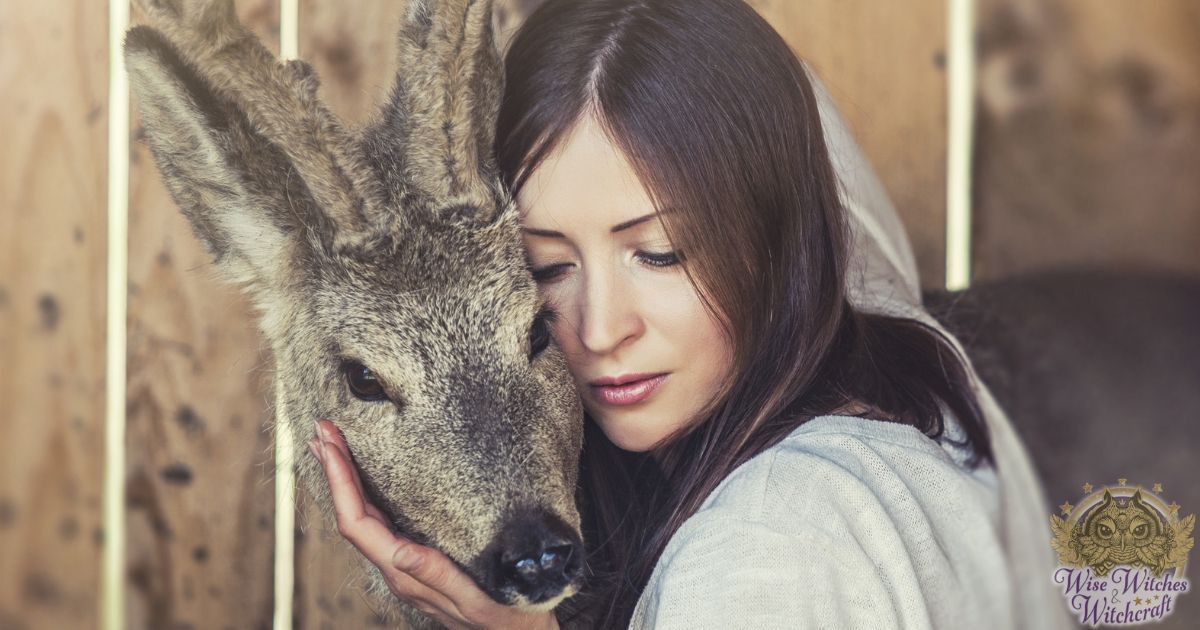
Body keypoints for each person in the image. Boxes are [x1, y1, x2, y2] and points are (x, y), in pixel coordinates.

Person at [308, 0, 1073, 628]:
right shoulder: (895, 407)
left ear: (777, 237)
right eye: (545, 269)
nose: (602, 330)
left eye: (662, 252)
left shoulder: (762, 552)